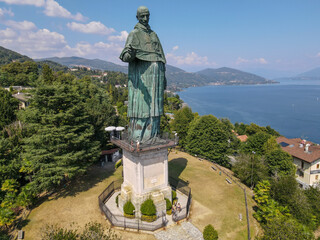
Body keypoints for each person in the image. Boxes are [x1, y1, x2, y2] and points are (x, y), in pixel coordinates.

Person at [120, 6, 166, 144]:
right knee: (144, 107)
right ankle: (140, 137)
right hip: (143, 78)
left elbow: (160, 56)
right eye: (142, 16)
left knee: (155, 107)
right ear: (137, 17)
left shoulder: (154, 34)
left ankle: (154, 135)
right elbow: (125, 56)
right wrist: (131, 53)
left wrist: (163, 76)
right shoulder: (134, 34)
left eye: (147, 16)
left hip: (156, 77)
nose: (145, 19)